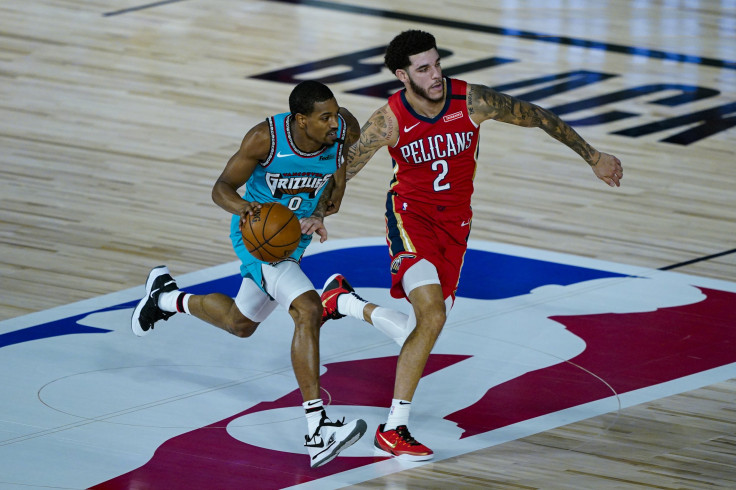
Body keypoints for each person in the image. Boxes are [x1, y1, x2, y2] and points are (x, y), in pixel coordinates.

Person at [319, 30, 623, 461]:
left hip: (456, 226)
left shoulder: (472, 101)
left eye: (437, 63)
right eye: (424, 69)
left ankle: (344, 302)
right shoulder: (388, 120)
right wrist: (316, 212)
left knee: (421, 330)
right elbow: (345, 168)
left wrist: (593, 157)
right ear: (403, 76)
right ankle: (394, 428)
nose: (436, 74)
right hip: (410, 217)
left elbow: (533, 114)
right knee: (433, 315)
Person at [130, 80, 366, 468]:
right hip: (258, 237)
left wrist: (320, 213)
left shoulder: (341, 135)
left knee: (241, 324)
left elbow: (335, 191)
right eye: (324, 117)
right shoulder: (265, 139)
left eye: (336, 114)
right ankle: (317, 431)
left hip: (294, 239)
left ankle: (164, 298)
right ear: (300, 120)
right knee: (308, 310)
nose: (333, 123)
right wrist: (244, 209)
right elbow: (221, 187)